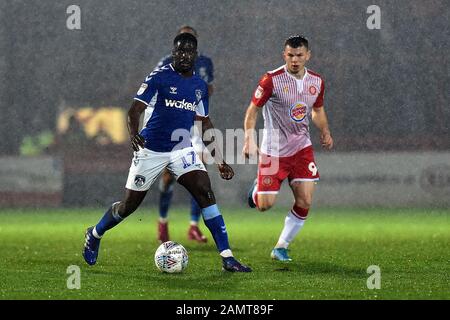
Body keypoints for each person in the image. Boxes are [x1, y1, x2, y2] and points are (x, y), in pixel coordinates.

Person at [82, 33, 251, 272]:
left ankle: (227, 257)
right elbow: (133, 111)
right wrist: (134, 135)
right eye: (179, 51)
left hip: (181, 149)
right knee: (128, 206)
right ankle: (95, 233)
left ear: (195, 55)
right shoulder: (159, 78)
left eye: (189, 51)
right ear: (173, 53)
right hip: (150, 148)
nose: (184, 55)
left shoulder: (199, 86)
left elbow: (204, 123)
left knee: (205, 192)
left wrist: (219, 160)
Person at [243, 35, 333, 262]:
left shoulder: (317, 81)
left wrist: (324, 131)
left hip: (302, 148)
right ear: (284, 55)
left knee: (305, 201)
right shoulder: (271, 80)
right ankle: (256, 192)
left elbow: (317, 110)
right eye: (291, 55)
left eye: (299, 55)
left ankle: (281, 246)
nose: (295, 60)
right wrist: (248, 139)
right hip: (273, 151)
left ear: (307, 56)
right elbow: (252, 111)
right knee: (265, 206)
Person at [155, 26, 214, 244]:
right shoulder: (164, 63)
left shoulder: (205, 63)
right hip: (173, 122)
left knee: (200, 174)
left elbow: (209, 88)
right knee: (169, 176)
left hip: (195, 121)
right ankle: (162, 221)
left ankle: (193, 226)